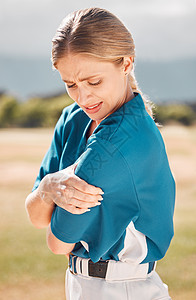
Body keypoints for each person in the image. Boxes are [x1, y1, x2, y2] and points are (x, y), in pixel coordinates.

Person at [25, 7, 175, 300]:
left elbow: (57, 242)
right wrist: (47, 188)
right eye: (70, 84)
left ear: (126, 63)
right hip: (82, 284)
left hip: (124, 290)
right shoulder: (73, 118)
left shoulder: (118, 142)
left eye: (94, 82)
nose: (83, 97)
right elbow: (36, 216)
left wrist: (48, 196)